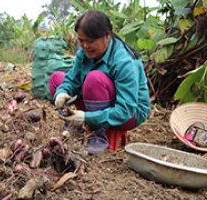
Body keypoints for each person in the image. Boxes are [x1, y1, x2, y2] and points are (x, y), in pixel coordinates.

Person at [49, 10, 151, 154]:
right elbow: (72, 79)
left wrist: (86, 118)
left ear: (107, 35)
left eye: (90, 41)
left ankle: (97, 136)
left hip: (129, 114)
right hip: (98, 101)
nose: (85, 46)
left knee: (94, 79)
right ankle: (74, 129)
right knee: (56, 80)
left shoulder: (124, 61)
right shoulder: (83, 53)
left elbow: (125, 110)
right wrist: (62, 93)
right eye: (81, 40)